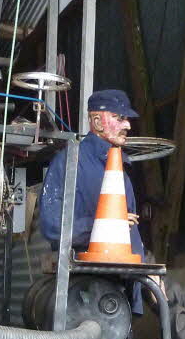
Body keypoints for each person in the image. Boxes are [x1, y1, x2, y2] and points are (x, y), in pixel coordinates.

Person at [39, 88, 145, 260]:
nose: (128, 126)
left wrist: (143, 268)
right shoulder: (68, 162)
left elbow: (130, 232)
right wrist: (107, 225)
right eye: (119, 118)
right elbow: (53, 227)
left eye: (127, 119)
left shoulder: (120, 169)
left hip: (125, 270)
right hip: (88, 272)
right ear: (97, 122)